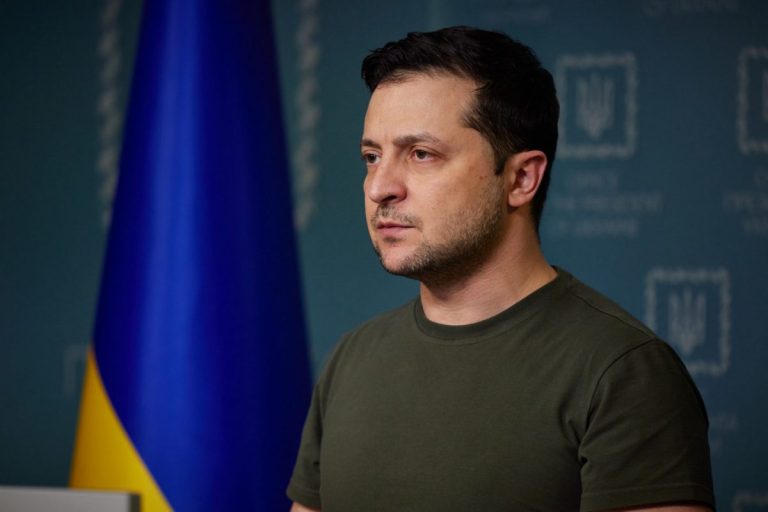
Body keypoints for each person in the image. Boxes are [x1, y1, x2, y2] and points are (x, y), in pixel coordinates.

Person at [287, 26, 715, 512]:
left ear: (521, 178)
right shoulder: (351, 360)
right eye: (372, 157)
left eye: (421, 154)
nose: (378, 187)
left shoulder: (623, 373)